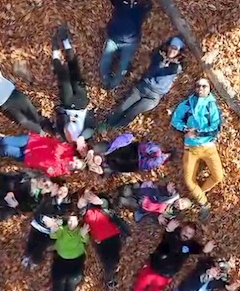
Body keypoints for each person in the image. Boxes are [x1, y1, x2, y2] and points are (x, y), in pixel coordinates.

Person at [128, 220, 212, 291]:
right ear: (181, 229)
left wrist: (206, 249)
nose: (186, 234)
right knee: (138, 289)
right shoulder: (172, 234)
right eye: (185, 230)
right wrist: (168, 230)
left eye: (190, 233)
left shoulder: (191, 245)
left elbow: (201, 250)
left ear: (192, 236)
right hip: (152, 269)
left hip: (165, 276)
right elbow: (166, 236)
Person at [100, 37, 185, 130]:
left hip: (153, 96)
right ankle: (106, 125)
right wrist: (164, 60)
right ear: (168, 47)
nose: (172, 50)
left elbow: (167, 71)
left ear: (179, 52)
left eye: (175, 49)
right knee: (123, 107)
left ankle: (115, 129)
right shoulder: (158, 56)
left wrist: (168, 63)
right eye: (171, 47)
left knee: (132, 113)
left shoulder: (177, 67)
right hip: (142, 88)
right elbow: (155, 70)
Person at [171, 78, 224, 222]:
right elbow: (175, 119)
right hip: (191, 148)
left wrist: (198, 132)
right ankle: (203, 203)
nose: (201, 88)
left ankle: (198, 196)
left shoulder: (212, 105)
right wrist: (185, 128)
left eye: (204, 86)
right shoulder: (188, 103)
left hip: (208, 147)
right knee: (189, 181)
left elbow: (216, 127)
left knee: (218, 176)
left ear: (209, 88)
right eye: (198, 86)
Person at [100, 0, 152, 90]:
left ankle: (113, 85)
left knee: (123, 65)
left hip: (130, 42)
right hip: (114, 38)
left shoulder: (143, 4)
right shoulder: (119, 0)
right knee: (105, 60)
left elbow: (150, 4)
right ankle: (105, 80)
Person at [51, 24, 98, 143]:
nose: (82, 149)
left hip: (68, 106)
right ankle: (66, 41)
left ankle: (55, 52)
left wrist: (67, 122)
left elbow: (59, 124)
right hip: (81, 104)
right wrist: (82, 138)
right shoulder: (88, 139)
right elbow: (92, 127)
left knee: (64, 78)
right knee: (75, 73)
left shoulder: (66, 140)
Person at [77, 189, 132, 289]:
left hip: (113, 234)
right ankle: (110, 278)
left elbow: (108, 207)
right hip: (101, 239)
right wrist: (84, 199)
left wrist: (100, 201)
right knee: (107, 260)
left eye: (90, 193)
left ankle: (112, 274)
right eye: (86, 194)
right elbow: (80, 207)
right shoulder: (84, 210)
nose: (89, 196)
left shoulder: (100, 200)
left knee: (114, 258)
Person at [0, 133, 91, 178]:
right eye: (77, 162)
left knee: (6, 150)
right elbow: (57, 147)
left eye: (75, 166)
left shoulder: (62, 171)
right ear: (76, 158)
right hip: (33, 143)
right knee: (6, 141)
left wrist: (56, 160)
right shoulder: (69, 150)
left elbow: (49, 171)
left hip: (29, 158)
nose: (74, 164)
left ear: (74, 170)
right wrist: (56, 158)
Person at [47, 215, 90, 291]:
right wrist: (53, 227)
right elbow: (53, 236)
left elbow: (86, 240)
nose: (71, 223)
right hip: (60, 261)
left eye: (73, 221)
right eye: (70, 221)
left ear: (77, 222)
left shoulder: (80, 231)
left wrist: (84, 234)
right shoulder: (63, 230)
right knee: (58, 283)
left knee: (70, 288)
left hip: (76, 263)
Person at [22, 183, 74, 270]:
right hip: (39, 224)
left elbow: (67, 217)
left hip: (51, 229)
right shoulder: (48, 198)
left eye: (65, 191)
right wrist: (44, 218)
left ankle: (35, 260)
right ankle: (27, 255)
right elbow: (38, 210)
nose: (62, 193)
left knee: (42, 245)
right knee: (32, 240)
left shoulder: (68, 204)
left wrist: (60, 221)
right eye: (61, 190)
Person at [88, 133, 172, 175]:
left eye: (96, 158)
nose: (97, 160)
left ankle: (160, 151)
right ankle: (166, 156)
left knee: (151, 149)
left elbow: (122, 140)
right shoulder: (109, 167)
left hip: (137, 149)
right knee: (153, 163)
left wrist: (129, 136)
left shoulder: (110, 148)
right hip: (138, 163)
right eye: (96, 162)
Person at [117, 181, 192, 224]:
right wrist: (167, 190)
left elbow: (157, 217)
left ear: (181, 209)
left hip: (144, 207)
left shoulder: (171, 214)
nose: (179, 204)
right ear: (180, 198)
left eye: (182, 206)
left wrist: (158, 217)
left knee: (128, 202)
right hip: (146, 195)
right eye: (182, 202)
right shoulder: (172, 195)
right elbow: (161, 191)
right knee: (128, 192)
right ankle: (125, 190)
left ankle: (121, 200)